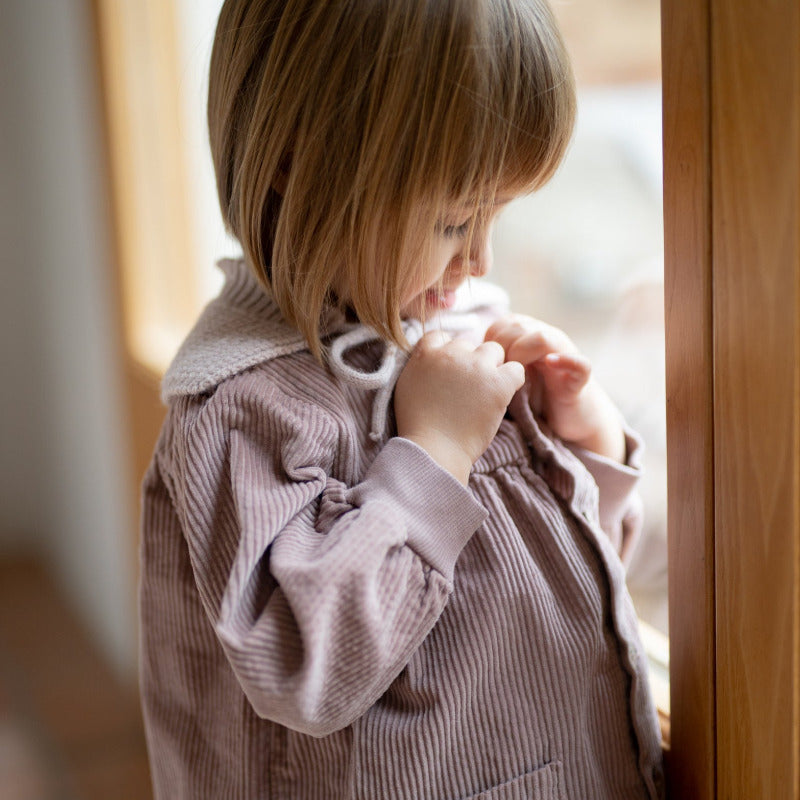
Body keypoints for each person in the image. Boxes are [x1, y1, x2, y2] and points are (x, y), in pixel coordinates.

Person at [138, 0, 666, 797]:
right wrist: (436, 456)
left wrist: (588, 450)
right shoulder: (246, 409)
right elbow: (303, 668)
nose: (481, 256)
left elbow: (554, 587)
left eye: (497, 212)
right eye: (456, 219)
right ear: (295, 160)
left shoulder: (459, 335)